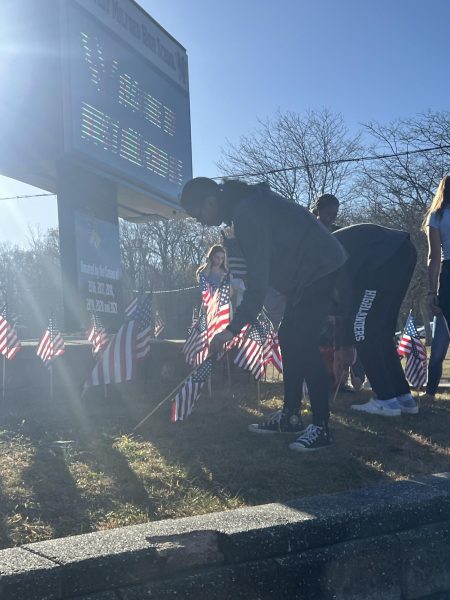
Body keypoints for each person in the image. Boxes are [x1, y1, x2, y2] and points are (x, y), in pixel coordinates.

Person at [180, 177, 347, 451]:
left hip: (321, 267)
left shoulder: (247, 213)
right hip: (305, 275)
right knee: (288, 335)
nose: (201, 221)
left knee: (303, 342)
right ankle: (291, 416)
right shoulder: (245, 207)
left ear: (210, 201)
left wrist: (231, 330)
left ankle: (321, 427)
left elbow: (257, 285)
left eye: (199, 214)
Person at [332, 224, 418, 416]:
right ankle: (403, 397)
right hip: (403, 251)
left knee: (361, 328)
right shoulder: (326, 247)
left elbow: (346, 300)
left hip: (382, 259)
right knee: (382, 330)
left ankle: (386, 400)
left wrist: (343, 346)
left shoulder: (321, 259)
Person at [425, 315, 450, 398]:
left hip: (441, 314)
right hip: (442, 314)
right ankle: (430, 393)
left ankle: (430, 393)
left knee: (436, 356)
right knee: (436, 356)